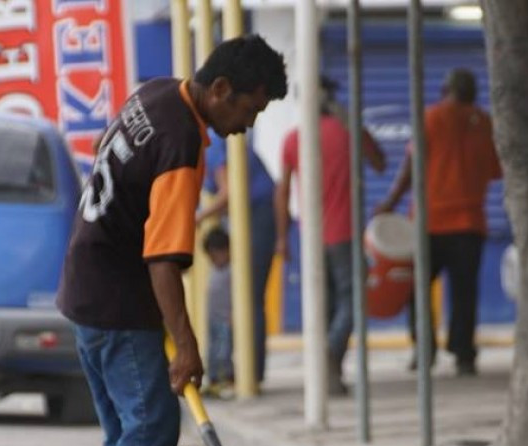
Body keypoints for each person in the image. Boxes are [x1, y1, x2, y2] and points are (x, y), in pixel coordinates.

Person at [56, 35, 287, 446]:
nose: (247, 125)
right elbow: (163, 260)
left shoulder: (155, 96)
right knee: (153, 424)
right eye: (249, 110)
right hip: (118, 301)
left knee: (125, 432)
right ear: (222, 89)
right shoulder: (181, 140)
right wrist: (185, 345)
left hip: (86, 288)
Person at [373, 68, 502, 376]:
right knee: (464, 293)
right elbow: (497, 170)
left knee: (417, 290)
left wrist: (389, 204)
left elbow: (410, 166)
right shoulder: (484, 124)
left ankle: (423, 350)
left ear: (445, 90)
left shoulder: (431, 118)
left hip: (429, 224)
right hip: (470, 224)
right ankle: (464, 354)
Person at [274, 75, 386, 396]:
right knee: (351, 301)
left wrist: (282, 238)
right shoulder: (348, 132)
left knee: (323, 306)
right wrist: (354, 126)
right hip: (345, 233)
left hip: (310, 237)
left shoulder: (294, 138)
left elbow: (282, 193)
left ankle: (330, 371)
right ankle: (330, 357)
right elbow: (379, 163)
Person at [196, 128, 275, 385]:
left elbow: (228, 192)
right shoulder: (205, 146)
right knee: (237, 298)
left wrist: (197, 217)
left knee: (249, 297)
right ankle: (236, 371)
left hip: (257, 216)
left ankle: (251, 375)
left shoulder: (212, 144)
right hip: (245, 217)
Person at [201, 227, 234, 398]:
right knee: (212, 350)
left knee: (225, 351)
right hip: (213, 318)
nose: (214, 261)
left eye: (216, 256)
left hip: (226, 319)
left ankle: (227, 380)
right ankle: (213, 380)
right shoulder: (215, 270)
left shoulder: (232, 270)